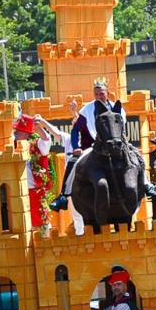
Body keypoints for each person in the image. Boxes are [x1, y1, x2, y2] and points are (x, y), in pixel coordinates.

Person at [50, 78, 125, 212]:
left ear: (107, 92)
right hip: (94, 147)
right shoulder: (87, 110)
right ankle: (63, 196)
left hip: (115, 145)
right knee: (74, 162)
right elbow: (75, 130)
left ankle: (146, 184)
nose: (99, 97)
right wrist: (76, 147)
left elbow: (121, 129)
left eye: (101, 94)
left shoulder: (116, 108)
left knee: (135, 158)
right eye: (96, 94)